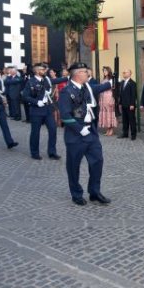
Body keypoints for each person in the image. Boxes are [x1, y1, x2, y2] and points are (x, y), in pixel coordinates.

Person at [58, 62, 112, 206]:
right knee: (73, 166)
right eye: (84, 71)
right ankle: (76, 194)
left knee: (97, 161)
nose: (87, 73)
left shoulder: (86, 88)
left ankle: (94, 192)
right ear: (76, 74)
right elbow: (65, 115)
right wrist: (79, 129)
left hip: (91, 132)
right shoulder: (66, 91)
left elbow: (99, 88)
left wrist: (112, 81)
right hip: (76, 135)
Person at [22, 63, 66, 160]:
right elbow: (25, 96)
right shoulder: (31, 82)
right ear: (37, 71)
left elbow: (57, 80)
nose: (45, 71)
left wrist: (69, 77)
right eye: (43, 69)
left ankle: (52, 152)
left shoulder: (47, 80)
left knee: (53, 129)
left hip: (47, 110)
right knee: (35, 132)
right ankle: (34, 152)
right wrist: (37, 102)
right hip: (36, 111)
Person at [118, 68, 137, 140]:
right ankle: (125, 133)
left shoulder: (132, 83)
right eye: (123, 72)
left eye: (125, 72)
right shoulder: (122, 82)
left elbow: (133, 94)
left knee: (132, 120)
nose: (124, 74)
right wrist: (120, 103)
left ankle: (133, 135)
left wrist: (132, 104)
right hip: (123, 104)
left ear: (129, 73)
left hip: (130, 105)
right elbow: (121, 94)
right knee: (124, 120)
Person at [98, 66, 117, 136]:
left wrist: (112, 98)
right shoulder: (103, 79)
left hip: (109, 96)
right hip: (102, 97)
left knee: (110, 113)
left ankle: (111, 129)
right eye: (103, 71)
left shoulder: (111, 79)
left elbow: (113, 88)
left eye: (105, 71)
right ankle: (107, 129)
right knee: (105, 114)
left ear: (109, 71)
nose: (104, 72)